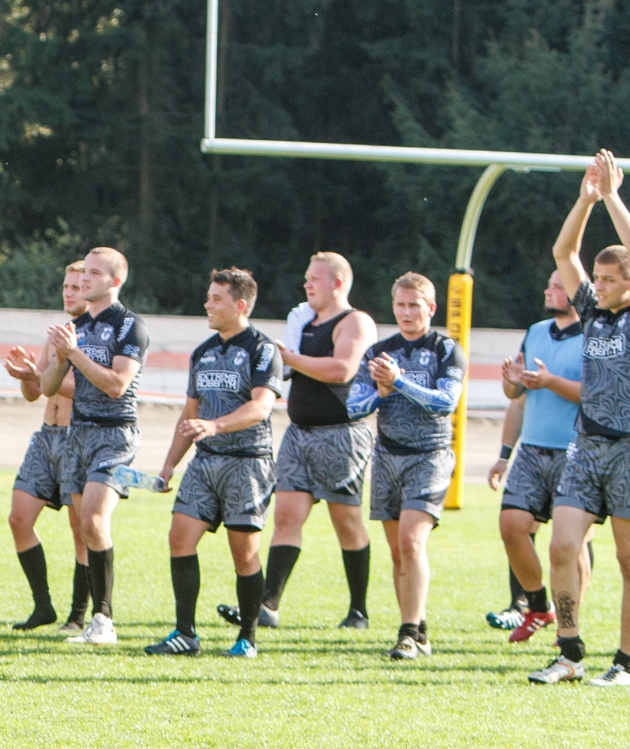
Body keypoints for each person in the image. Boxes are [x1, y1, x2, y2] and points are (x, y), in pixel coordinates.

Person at [530, 151, 630, 688]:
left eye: (609, 279)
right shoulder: (591, 312)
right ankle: (569, 653)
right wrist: (585, 200)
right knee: (562, 547)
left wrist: (611, 195)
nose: (598, 284)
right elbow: (564, 250)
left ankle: (625, 664)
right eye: (597, 277)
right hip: (586, 446)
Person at [226, 252, 377, 630]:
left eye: (315, 279)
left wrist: (291, 358)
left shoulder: (354, 321)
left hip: (342, 434)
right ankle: (268, 604)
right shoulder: (303, 322)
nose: (307, 284)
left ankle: (358, 609)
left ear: (337, 283)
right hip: (299, 433)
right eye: (307, 278)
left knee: (346, 520)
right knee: (287, 516)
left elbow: (343, 369)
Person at [148, 268, 284, 658]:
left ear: (240, 305)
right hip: (205, 462)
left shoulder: (262, 349)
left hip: (248, 464)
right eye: (208, 297)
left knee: (244, 553)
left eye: (216, 299)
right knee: (179, 537)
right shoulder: (203, 351)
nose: (208, 304)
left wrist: (215, 425)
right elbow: (188, 414)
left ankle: (248, 638)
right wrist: (169, 464)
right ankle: (185, 634)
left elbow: (260, 407)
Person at [344, 272, 466, 661]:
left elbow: (446, 402)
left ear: (431, 308)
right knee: (399, 552)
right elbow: (353, 406)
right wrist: (380, 392)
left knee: (413, 542)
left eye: (415, 305)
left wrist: (399, 383)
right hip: (386, 457)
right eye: (401, 304)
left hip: (429, 456)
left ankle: (408, 634)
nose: (407, 312)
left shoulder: (447, 349)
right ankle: (419, 628)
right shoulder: (379, 351)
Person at [38, 247, 150, 645]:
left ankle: (104, 620)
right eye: (83, 272)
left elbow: (117, 385)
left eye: (94, 273)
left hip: (115, 434)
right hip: (78, 434)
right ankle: (91, 620)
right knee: (82, 525)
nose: (84, 279)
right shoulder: (77, 326)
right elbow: (48, 387)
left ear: (115, 281)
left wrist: (74, 354)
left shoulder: (130, 327)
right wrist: (56, 359)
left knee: (94, 520)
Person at [484, 271, 587, 645]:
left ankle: (569, 625)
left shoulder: (594, 334)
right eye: (549, 283)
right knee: (512, 525)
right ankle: (539, 607)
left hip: (578, 453)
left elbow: (594, 395)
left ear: (576, 293)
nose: (548, 289)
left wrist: (550, 382)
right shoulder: (536, 330)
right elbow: (518, 398)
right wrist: (511, 381)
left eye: (558, 286)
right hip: (531, 450)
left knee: (572, 544)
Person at [8, 262, 93, 633]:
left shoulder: (97, 336)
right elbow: (34, 393)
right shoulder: (57, 333)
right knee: (19, 518)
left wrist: (42, 379)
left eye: (77, 286)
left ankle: (78, 615)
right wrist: (28, 375)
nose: (69, 292)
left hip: (79, 437)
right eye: (66, 286)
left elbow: (92, 389)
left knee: (82, 530)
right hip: (46, 435)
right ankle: (43, 607)